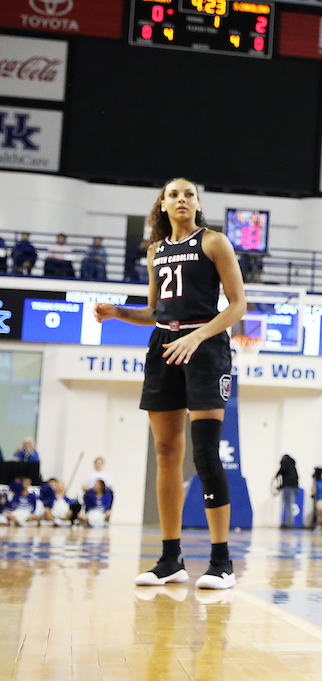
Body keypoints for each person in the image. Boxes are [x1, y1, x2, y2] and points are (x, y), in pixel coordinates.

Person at [94, 177, 246, 590]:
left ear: (198, 204)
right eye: (173, 194)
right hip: (163, 346)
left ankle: (221, 562)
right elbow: (154, 310)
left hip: (205, 347)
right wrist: (118, 312)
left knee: (205, 453)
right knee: (165, 452)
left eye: (189, 194)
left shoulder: (214, 242)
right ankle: (170, 559)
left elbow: (238, 305)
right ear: (162, 204)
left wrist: (198, 337)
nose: (181, 199)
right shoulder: (155, 251)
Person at [274, 455, 301, 528]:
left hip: (288, 488)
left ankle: (289, 523)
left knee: (288, 505)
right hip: (295, 488)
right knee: (290, 505)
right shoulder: (293, 468)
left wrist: (277, 475)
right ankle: (289, 522)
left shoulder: (285, 466)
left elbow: (282, 472)